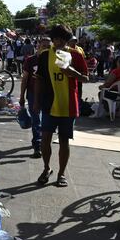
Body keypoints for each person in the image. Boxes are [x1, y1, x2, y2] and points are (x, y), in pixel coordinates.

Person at [33, 24, 89, 187]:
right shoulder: (44, 55)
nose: (58, 43)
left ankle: (61, 173)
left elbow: (86, 78)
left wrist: (72, 72)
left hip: (69, 104)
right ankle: (46, 168)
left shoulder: (75, 55)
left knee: (64, 141)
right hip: (49, 103)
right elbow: (40, 80)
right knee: (45, 139)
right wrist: (35, 101)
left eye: (62, 40)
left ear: (67, 40)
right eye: (55, 39)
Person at [19, 36, 51, 158]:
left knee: (46, 121)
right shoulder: (31, 60)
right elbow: (25, 79)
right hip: (33, 94)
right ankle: (37, 146)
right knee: (36, 120)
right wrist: (22, 96)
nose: (46, 49)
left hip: (48, 95)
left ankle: (43, 142)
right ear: (38, 46)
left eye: (49, 47)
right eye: (44, 46)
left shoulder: (53, 60)